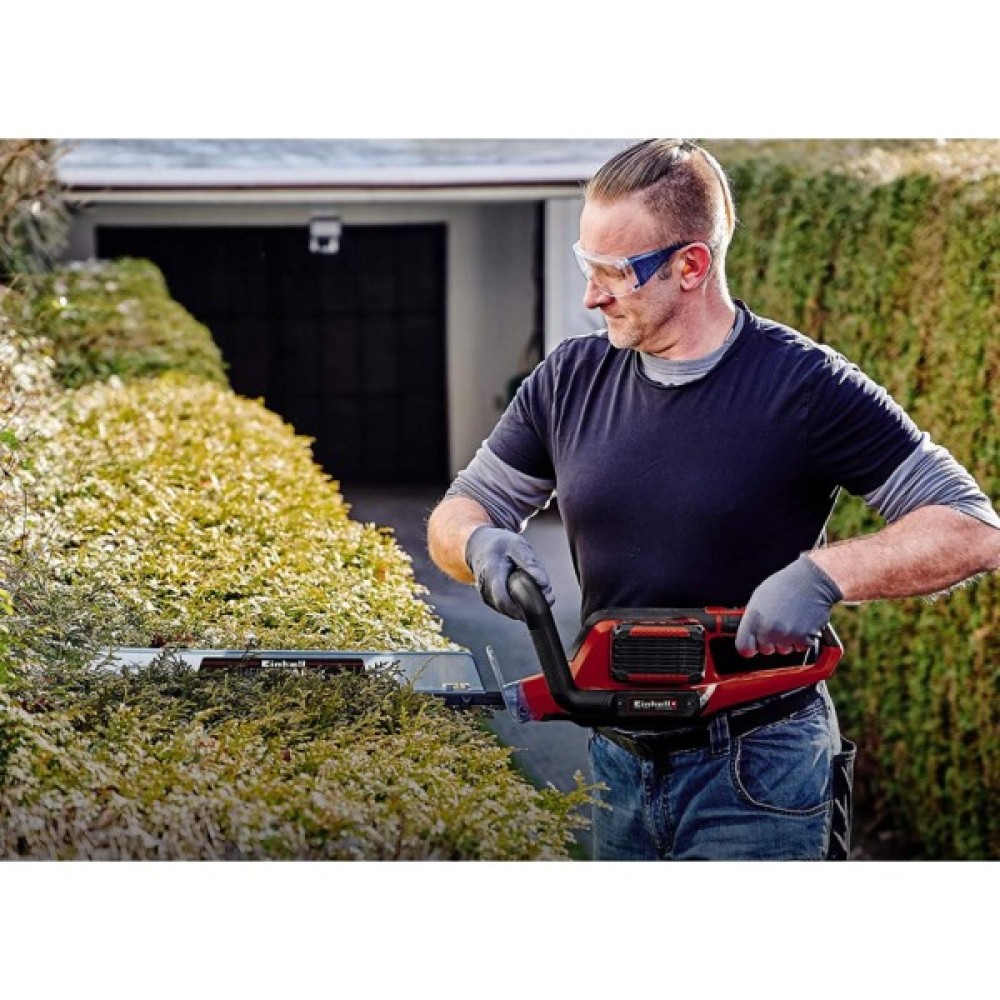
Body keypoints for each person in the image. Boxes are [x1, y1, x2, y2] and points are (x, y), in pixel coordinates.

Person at [426, 139, 1000, 861]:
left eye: (615, 273)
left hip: (762, 766)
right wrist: (477, 543)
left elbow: (972, 528)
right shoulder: (569, 378)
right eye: (586, 266)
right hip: (616, 763)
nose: (591, 296)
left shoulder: (804, 385)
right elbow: (462, 508)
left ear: (691, 265)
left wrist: (826, 575)